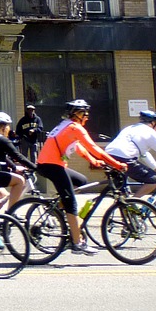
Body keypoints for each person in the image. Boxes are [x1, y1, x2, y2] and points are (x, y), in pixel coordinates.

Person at [36, 99, 127, 255]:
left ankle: (57, 210)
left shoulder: (65, 125)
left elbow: (78, 146)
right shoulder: (74, 127)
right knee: (71, 203)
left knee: (82, 181)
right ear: (77, 114)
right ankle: (77, 243)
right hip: (51, 166)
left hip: (51, 165)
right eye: (85, 113)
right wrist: (117, 164)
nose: (87, 117)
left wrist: (93, 161)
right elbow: (94, 148)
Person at [104, 109, 156, 197]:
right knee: (154, 180)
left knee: (121, 192)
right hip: (124, 158)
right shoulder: (151, 133)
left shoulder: (130, 128)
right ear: (153, 123)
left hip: (108, 156)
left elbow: (144, 154)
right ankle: (133, 202)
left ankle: (121, 205)